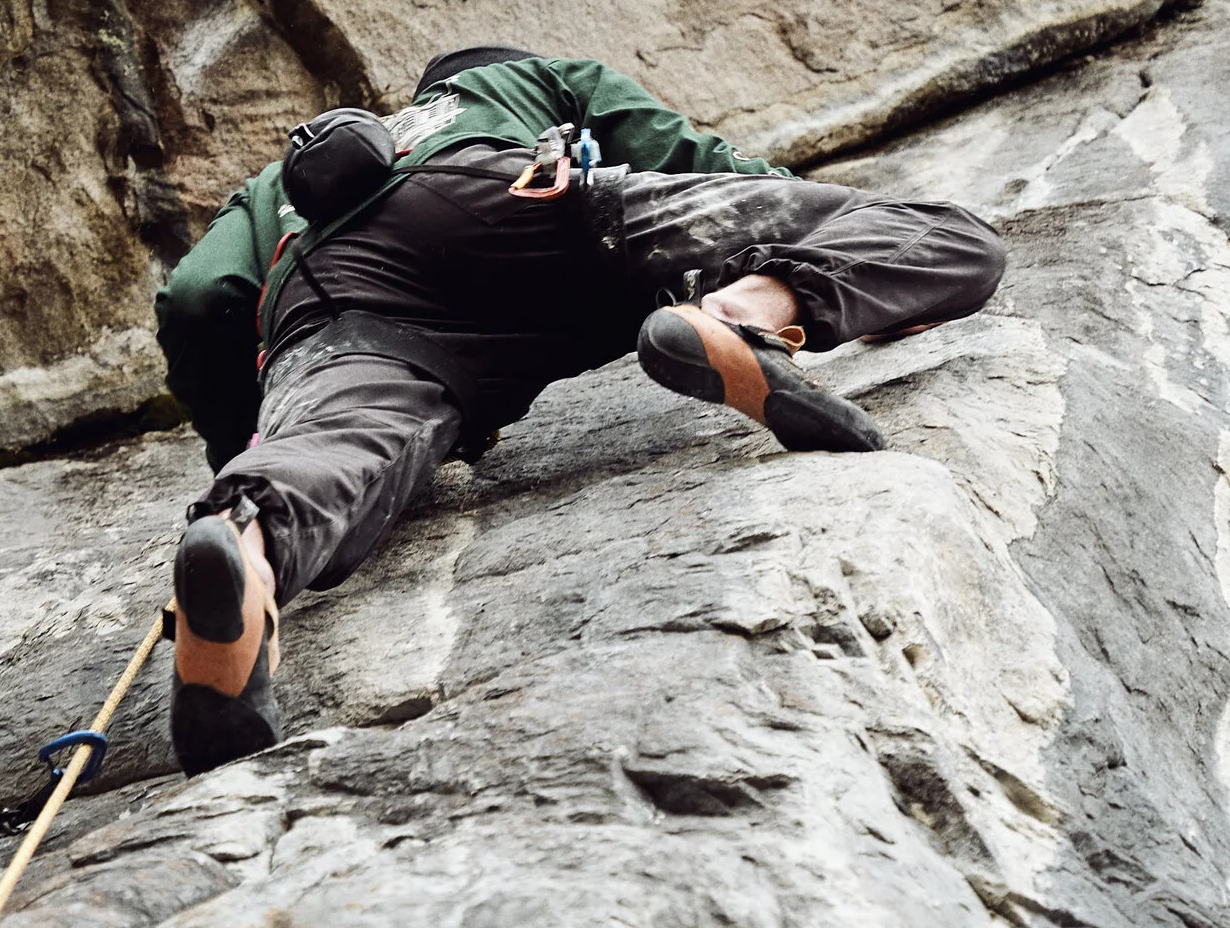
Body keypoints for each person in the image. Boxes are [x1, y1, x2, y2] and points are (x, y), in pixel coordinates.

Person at [154, 44, 1006, 770]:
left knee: (331, 446)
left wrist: (246, 445)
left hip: (344, 300)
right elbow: (696, 158)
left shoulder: (272, 189)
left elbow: (195, 298)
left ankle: (248, 542)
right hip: (527, 210)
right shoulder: (523, 83)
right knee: (953, 236)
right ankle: (747, 313)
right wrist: (797, 241)